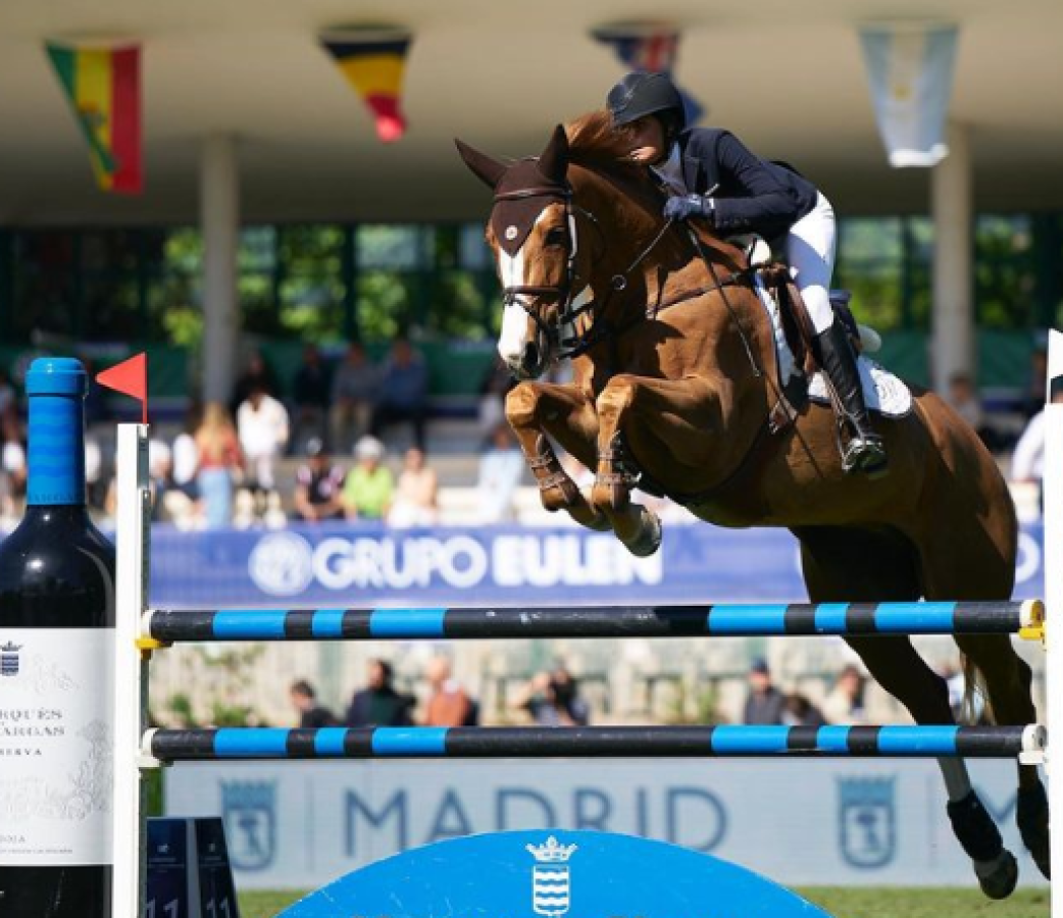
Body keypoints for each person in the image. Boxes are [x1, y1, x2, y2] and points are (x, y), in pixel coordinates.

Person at [605, 70, 886, 476]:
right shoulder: (642, 181)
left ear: (668, 125)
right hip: (743, 241)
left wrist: (706, 208)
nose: (629, 139)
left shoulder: (713, 145)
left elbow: (782, 202)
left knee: (811, 301)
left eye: (639, 127)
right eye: (623, 131)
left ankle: (862, 430)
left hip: (798, 220)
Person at [236, 382, 290, 517]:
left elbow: (283, 432)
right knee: (248, 485)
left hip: (270, 452)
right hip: (249, 457)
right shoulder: (243, 409)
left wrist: (279, 446)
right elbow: (242, 436)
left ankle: (269, 502)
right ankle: (252, 502)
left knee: (267, 481)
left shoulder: (274, 407)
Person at [370, 337, 429, 450]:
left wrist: (399, 394)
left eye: (404, 351)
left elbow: (416, 389)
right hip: (394, 406)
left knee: (419, 411)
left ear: (410, 353)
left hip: (412, 406)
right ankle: (372, 448)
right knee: (378, 412)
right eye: (398, 352)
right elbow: (384, 388)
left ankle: (420, 449)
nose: (401, 354)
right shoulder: (390, 368)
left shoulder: (418, 368)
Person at [193, 402, 244, 530]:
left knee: (209, 512)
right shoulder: (226, 433)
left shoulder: (201, 434)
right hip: (221, 474)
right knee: (222, 513)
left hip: (205, 476)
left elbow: (197, 459)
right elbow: (237, 456)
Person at [329, 341, 380, 454]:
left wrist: (360, 400)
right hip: (345, 405)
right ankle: (338, 449)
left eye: (356, 354)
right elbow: (335, 392)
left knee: (363, 413)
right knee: (336, 413)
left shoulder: (371, 369)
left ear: (362, 354)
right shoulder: (343, 369)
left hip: (364, 404)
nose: (353, 356)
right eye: (351, 354)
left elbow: (377, 392)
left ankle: (359, 448)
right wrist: (343, 400)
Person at [475, 422, 526, 523]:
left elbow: (513, 478)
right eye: (499, 436)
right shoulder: (489, 456)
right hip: (490, 495)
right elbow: (486, 477)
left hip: (509, 495)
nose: (502, 439)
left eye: (504, 436)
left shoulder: (515, 456)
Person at [512, 662, 590, 727]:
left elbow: (575, 727)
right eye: (554, 684)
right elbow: (514, 703)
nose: (558, 688)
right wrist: (534, 685)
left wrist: (559, 706)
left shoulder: (577, 704)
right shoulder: (543, 707)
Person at [291, 437, 346, 522]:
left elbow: (338, 502)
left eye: (319, 457)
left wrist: (320, 512)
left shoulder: (335, 473)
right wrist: (309, 511)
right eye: (312, 457)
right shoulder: (304, 473)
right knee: (294, 518)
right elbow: (300, 500)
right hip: (309, 512)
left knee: (334, 519)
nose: (315, 460)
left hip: (330, 513)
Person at [346, 659, 414, 727]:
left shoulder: (397, 700)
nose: (375, 679)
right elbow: (350, 722)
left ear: (385, 676)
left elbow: (404, 724)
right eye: (372, 676)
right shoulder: (359, 698)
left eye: (378, 676)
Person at [342, 435, 394, 521]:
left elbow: (388, 498)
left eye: (372, 457)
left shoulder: (384, 474)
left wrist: (385, 516)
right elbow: (349, 500)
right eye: (366, 457)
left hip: (380, 515)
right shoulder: (354, 475)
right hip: (360, 514)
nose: (369, 461)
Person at [387, 446, 439, 528]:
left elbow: (427, 499)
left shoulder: (429, 475)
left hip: (424, 511)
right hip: (410, 511)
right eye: (410, 457)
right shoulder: (404, 476)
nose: (414, 460)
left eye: (416, 457)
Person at [422, 656, 478, 727]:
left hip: (447, 735)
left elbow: (454, 721)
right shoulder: (436, 693)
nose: (428, 678)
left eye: (430, 674)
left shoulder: (454, 693)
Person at [741, 657, 785, 725]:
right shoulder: (750, 700)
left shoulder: (779, 698)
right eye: (756, 676)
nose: (759, 679)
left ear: (768, 676)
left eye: (762, 675)